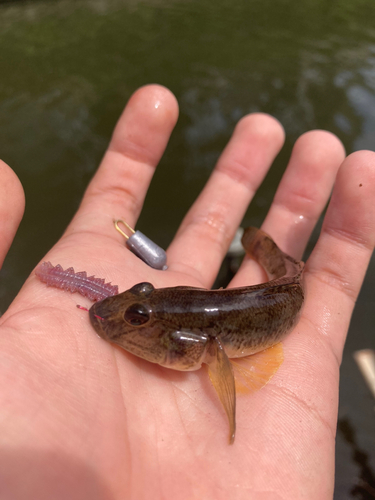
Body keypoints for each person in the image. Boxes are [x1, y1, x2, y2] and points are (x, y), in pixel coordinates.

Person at [0, 84, 374, 500]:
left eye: (138, 317)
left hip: (282, 293)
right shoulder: (186, 329)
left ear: (199, 344)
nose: (128, 317)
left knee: (281, 265)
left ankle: (260, 245)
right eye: (140, 307)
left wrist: (229, 419)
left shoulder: (210, 343)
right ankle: (257, 244)